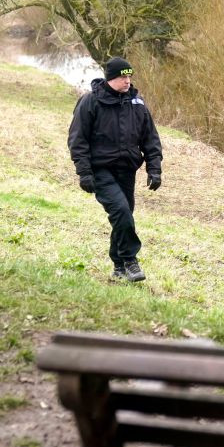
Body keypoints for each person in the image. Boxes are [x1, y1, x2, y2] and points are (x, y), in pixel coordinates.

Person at [68, 57, 163, 282]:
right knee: (121, 212)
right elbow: (77, 139)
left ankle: (118, 267)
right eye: (123, 77)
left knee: (124, 217)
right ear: (111, 78)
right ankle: (131, 261)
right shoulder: (90, 102)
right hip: (100, 170)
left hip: (127, 170)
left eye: (129, 77)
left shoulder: (137, 104)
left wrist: (154, 169)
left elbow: (151, 139)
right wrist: (84, 172)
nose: (127, 81)